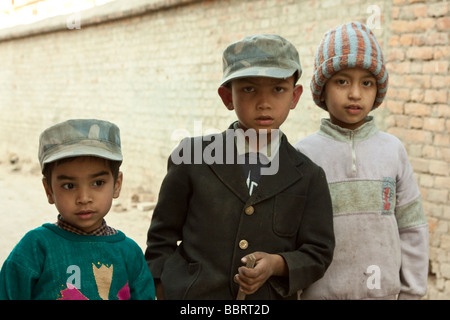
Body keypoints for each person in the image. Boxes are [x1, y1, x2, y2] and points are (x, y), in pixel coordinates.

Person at [145, 34, 335, 300]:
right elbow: (161, 238)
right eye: (249, 89)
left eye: (278, 89)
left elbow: (318, 253)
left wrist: (276, 264)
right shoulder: (191, 157)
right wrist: (162, 289)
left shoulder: (308, 175)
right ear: (227, 96)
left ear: (295, 96)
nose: (264, 102)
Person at [294, 21, 429, 300]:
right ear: (322, 88)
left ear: (377, 90)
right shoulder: (303, 156)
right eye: (342, 81)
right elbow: (290, 236)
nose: (355, 93)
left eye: (366, 82)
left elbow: (412, 228)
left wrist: (412, 293)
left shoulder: (393, 151)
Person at [0, 119, 155, 300]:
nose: (83, 198)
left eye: (98, 183)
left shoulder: (129, 253)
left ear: (117, 185)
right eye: (69, 185)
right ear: (49, 190)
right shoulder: (35, 248)